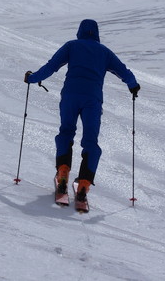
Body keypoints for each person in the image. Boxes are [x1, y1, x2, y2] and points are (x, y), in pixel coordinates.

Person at [24, 19, 140, 205]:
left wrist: (32, 78)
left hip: (70, 96)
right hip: (92, 100)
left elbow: (51, 66)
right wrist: (133, 85)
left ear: (80, 31)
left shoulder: (72, 46)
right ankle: (84, 185)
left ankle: (63, 172)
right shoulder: (105, 53)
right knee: (90, 141)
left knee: (66, 132)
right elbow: (124, 72)